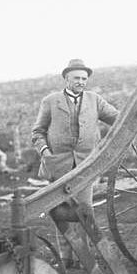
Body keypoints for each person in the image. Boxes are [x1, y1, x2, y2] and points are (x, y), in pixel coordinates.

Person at [31, 58, 119, 211]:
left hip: (86, 163)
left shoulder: (95, 100)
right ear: (66, 79)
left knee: (85, 210)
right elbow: (37, 132)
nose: (81, 82)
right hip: (57, 164)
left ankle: (84, 236)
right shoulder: (50, 101)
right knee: (60, 211)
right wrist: (45, 152)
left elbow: (117, 118)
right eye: (76, 78)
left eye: (84, 78)